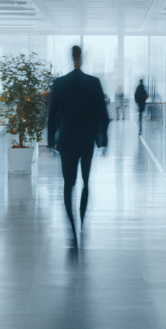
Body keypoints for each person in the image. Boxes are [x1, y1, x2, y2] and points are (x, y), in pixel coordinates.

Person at [47, 45, 110, 244]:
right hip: (86, 139)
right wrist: (103, 139)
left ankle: (72, 227)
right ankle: (82, 220)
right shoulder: (93, 83)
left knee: (68, 183)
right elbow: (103, 114)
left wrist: (50, 142)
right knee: (85, 181)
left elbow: (51, 117)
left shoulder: (59, 83)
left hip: (67, 140)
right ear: (81, 58)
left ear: (71, 57)